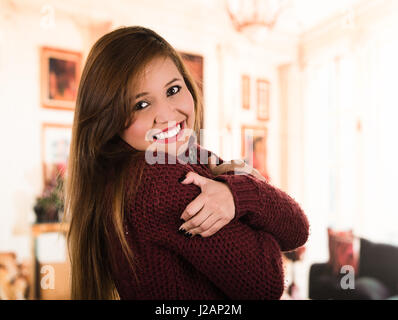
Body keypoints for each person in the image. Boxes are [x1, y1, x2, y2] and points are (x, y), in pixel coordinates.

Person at [64, 26, 310, 300]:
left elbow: (297, 230)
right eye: (141, 105)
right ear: (110, 120)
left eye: (173, 89)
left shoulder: (189, 159)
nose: (167, 114)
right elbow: (267, 284)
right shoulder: (160, 181)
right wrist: (251, 191)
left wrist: (237, 195)